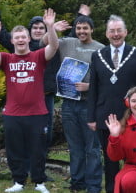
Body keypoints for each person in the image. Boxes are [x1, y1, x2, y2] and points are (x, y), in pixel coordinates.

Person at [0, 9, 59, 193]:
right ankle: (18, 181)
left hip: (37, 113)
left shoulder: (38, 56)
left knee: (38, 150)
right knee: (15, 150)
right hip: (12, 114)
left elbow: (54, 47)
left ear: (28, 39)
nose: (20, 40)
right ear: (12, 41)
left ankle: (39, 182)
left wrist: (50, 27)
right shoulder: (7, 59)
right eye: (16, 37)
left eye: (23, 37)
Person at [0, 0, 68, 154]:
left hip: (45, 95)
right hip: (22, 98)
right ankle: (24, 164)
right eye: (35, 28)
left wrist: (52, 27)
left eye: (41, 28)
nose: (38, 30)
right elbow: (2, 34)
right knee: (22, 133)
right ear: (29, 32)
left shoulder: (46, 48)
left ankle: (40, 163)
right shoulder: (19, 44)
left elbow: (54, 43)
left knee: (45, 131)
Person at [42, 13, 104, 192]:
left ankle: (93, 185)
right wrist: (51, 27)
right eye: (78, 28)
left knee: (92, 148)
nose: (82, 31)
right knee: (75, 147)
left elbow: (107, 80)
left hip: (89, 105)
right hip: (69, 104)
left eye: (85, 28)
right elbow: (46, 42)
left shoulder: (101, 49)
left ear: (92, 29)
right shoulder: (67, 43)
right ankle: (77, 183)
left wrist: (89, 87)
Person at [87, 15, 136, 193]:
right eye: (112, 31)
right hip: (105, 117)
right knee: (110, 160)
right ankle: (112, 190)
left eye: (119, 30)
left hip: (131, 116)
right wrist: (91, 117)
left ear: (125, 32)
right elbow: (93, 89)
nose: (116, 34)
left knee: (135, 157)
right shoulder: (97, 56)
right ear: (106, 34)